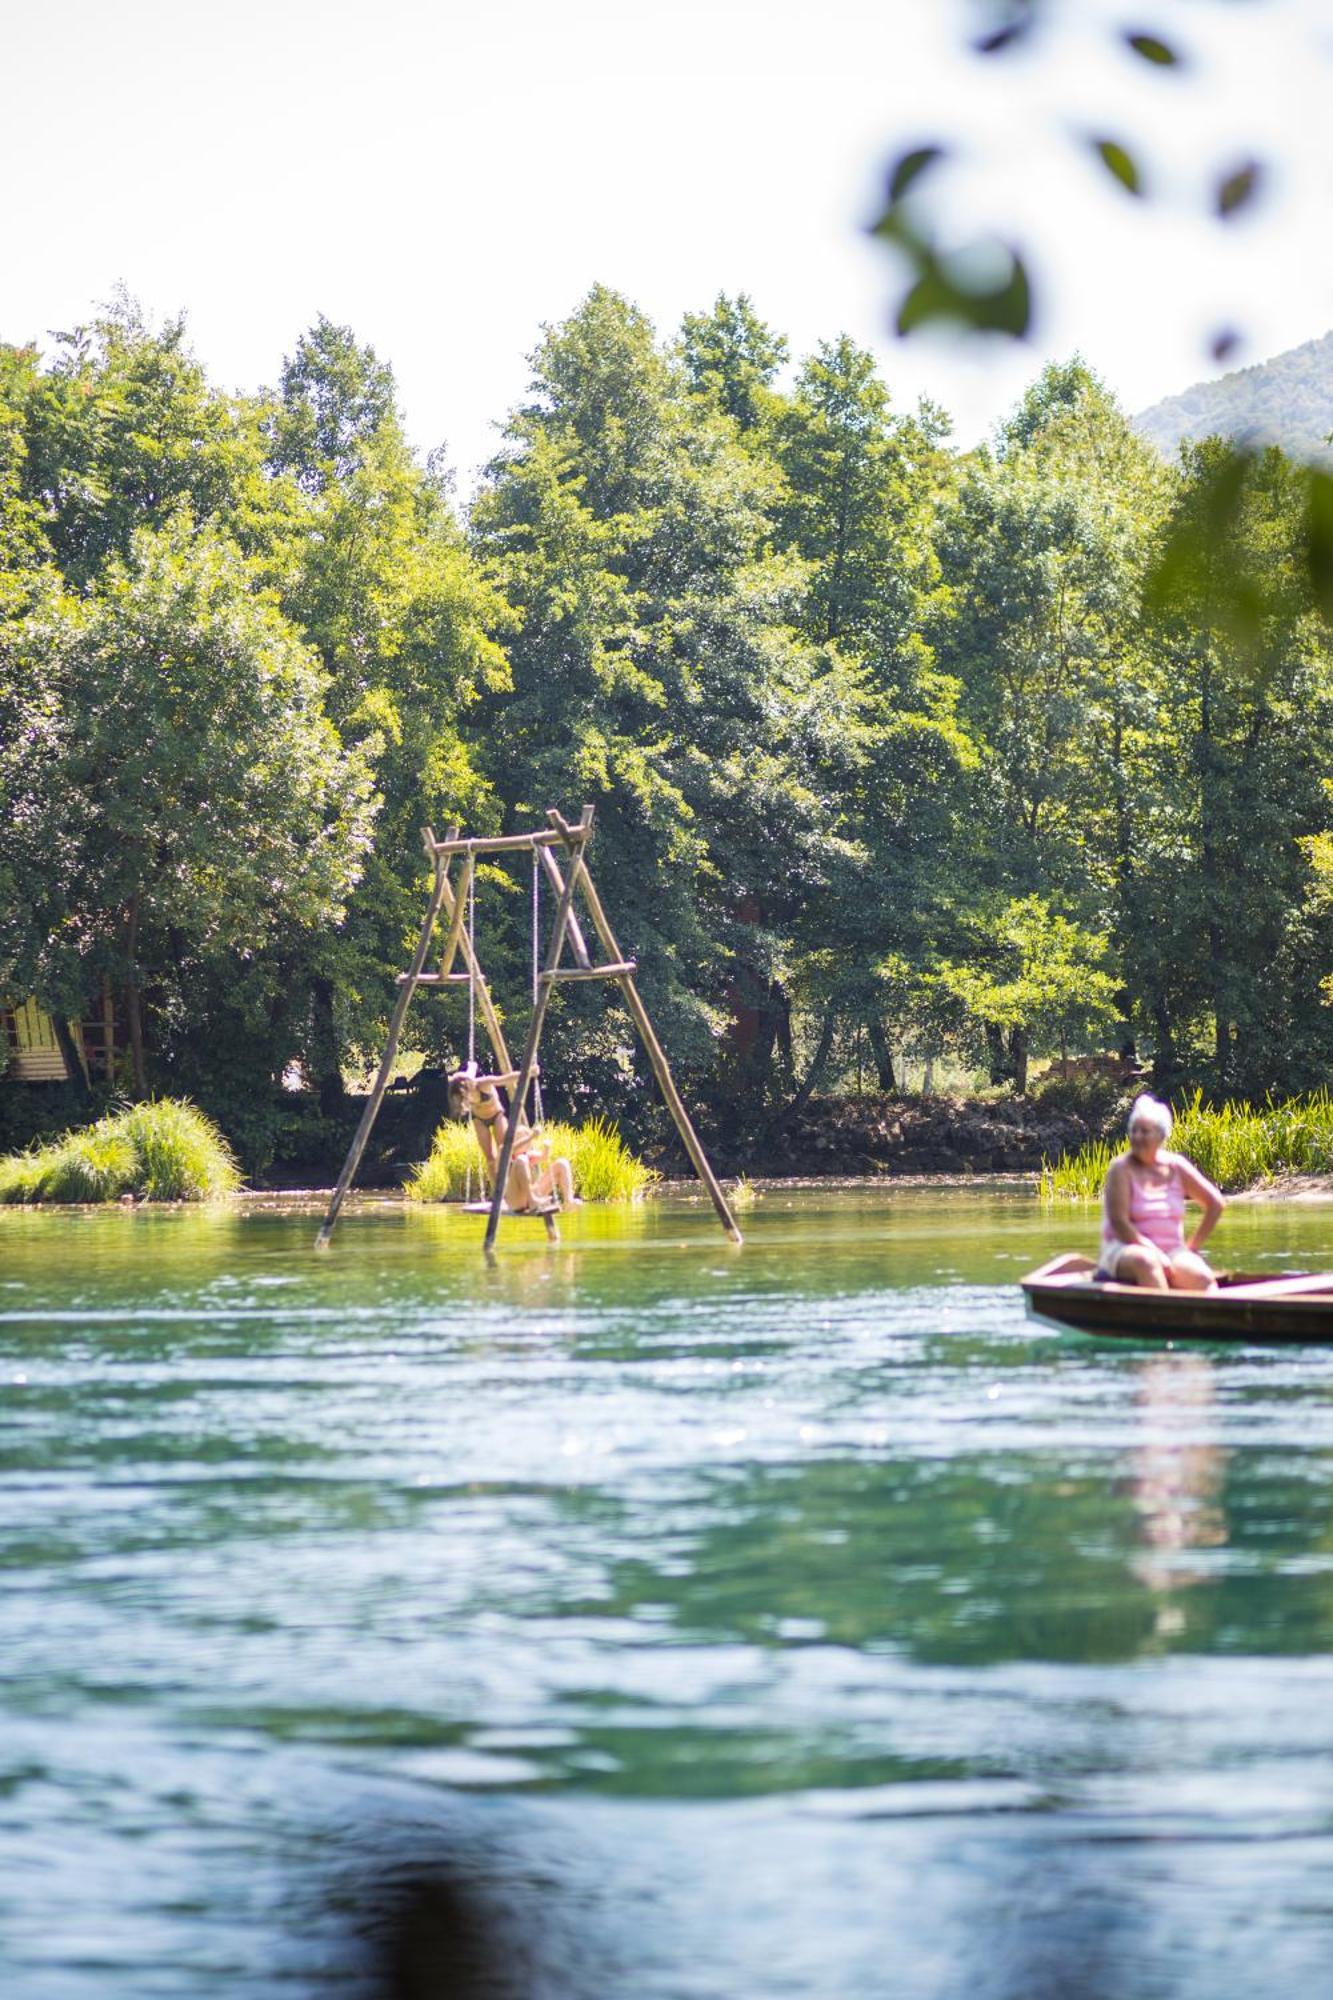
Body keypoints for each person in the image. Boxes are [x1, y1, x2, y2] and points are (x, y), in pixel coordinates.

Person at [1099, 1094, 1225, 1290]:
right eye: (1134, 1131)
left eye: (1145, 1131)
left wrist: (1192, 1247)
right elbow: (1119, 1223)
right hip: (1125, 1250)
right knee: (1147, 1262)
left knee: (1202, 1277)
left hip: (1172, 1251)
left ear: (1161, 1136)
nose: (1137, 1137)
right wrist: (1155, 1253)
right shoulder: (1120, 1168)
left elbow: (1215, 1203)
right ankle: (1162, 1317)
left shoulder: (1176, 1166)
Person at [448, 1064, 578, 1212]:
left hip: (496, 1115)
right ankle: (499, 1193)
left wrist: (528, 1073)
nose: (468, 1099)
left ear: (469, 1086)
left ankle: (569, 1201)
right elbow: (464, 1076)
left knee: (506, 1152)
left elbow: (506, 1078)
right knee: (491, 1159)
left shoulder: (483, 1084)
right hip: (480, 1120)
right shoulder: (462, 1092)